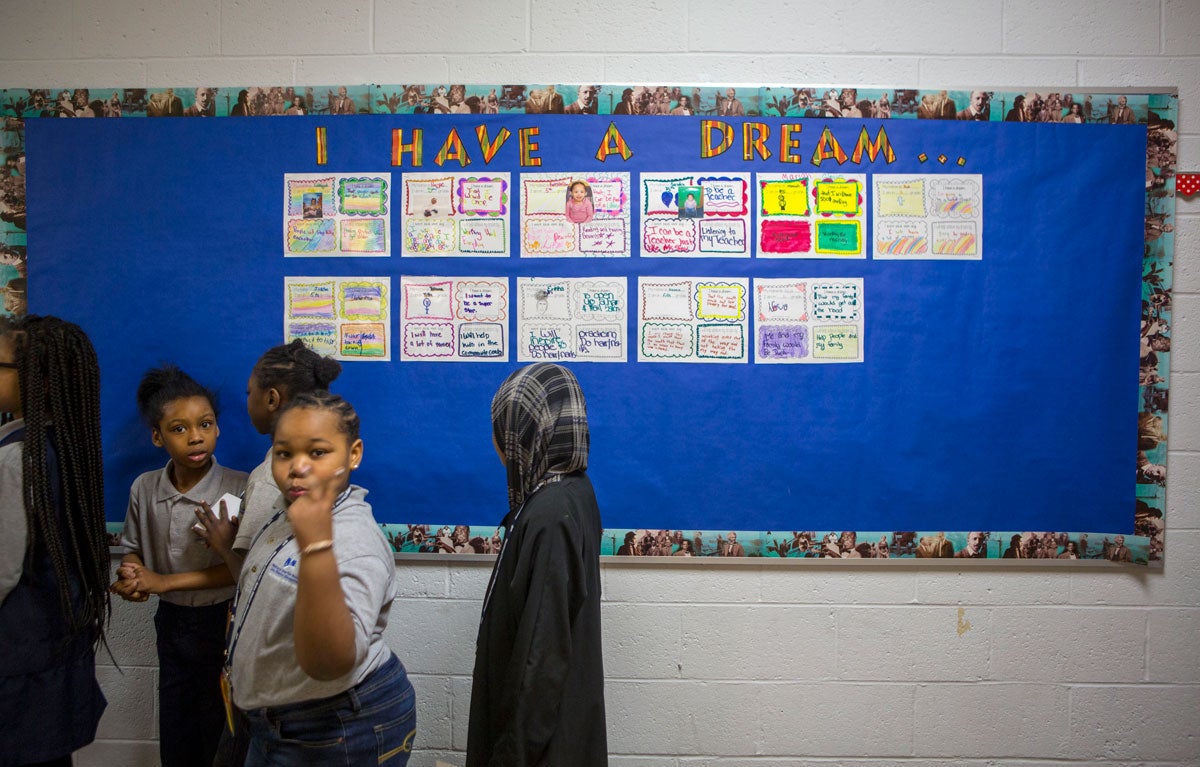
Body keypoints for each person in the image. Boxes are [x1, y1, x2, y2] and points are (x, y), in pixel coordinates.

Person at [226, 391, 416, 765]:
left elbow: (330, 662)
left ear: (353, 454)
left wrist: (316, 548)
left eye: (317, 452)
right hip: (275, 722)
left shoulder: (352, 540)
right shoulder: (288, 512)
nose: (298, 467)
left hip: (335, 729)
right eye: (284, 453)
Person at [467, 363, 607, 767]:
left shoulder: (550, 513)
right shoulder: (572, 492)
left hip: (540, 750)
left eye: (504, 427)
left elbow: (539, 658)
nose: (498, 442)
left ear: (525, 431)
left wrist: (512, 755)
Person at [111, 365, 248, 767]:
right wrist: (133, 574)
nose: (195, 436)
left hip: (223, 621)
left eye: (205, 424)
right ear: (157, 437)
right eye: (179, 429)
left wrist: (161, 582)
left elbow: (238, 570)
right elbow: (132, 549)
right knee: (177, 724)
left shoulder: (240, 488)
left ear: (218, 429)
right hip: (172, 622)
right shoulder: (145, 488)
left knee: (222, 729)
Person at [0, 315, 110, 767]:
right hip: (49, 655)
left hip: (19, 662)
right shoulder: (67, 447)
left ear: (36, 380)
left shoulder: (16, 462)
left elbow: (2, 571)